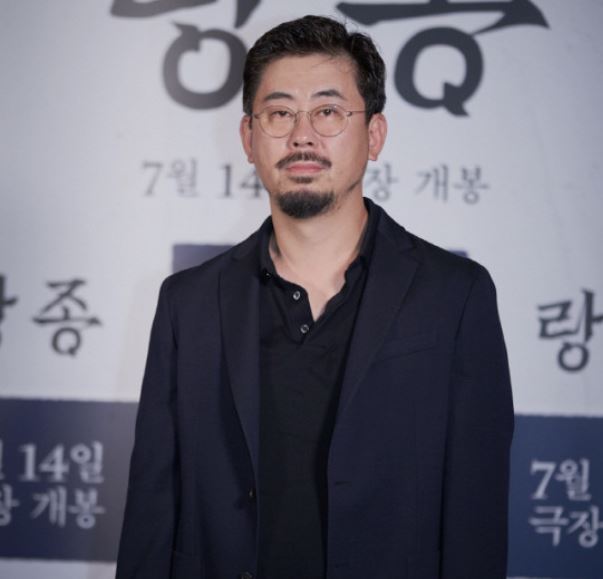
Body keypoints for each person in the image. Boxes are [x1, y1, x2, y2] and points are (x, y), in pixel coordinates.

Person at [116, 14, 513, 579]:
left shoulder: (454, 297)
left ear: (374, 134)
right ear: (249, 138)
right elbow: (151, 511)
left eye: (328, 112)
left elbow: (477, 512)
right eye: (280, 114)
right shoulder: (189, 303)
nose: (302, 136)